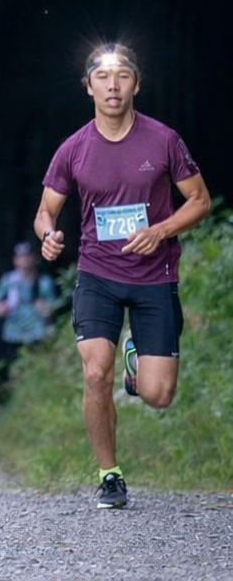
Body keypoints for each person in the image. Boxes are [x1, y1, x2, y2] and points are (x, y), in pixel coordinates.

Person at [35, 42, 211, 510]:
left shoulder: (163, 140)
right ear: (88, 86)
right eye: (103, 77)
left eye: (123, 76)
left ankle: (137, 361)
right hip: (98, 274)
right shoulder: (73, 149)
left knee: (158, 396)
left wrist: (161, 230)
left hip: (154, 274)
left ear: (136, 84)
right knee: (95, 374)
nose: (113, 86)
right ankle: (109, 474)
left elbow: (199, 200)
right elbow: (46, 211)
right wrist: (49, 235)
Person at [0, 240, 57, 367]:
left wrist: (45, 309)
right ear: (15, 260)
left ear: (35, 259)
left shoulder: (44, 282)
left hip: (37, 334)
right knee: (14, 370)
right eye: (21, 257)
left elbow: (54, 309)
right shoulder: (8, 281)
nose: (24, 260)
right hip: (13, 335)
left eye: (28, 256)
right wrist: (0, 308)